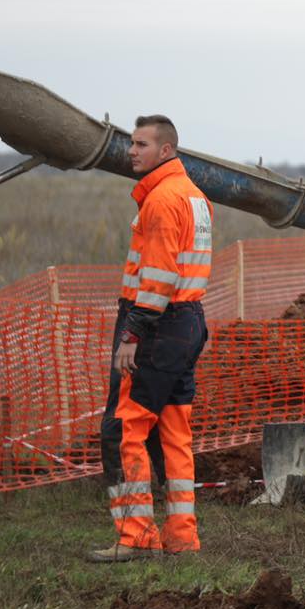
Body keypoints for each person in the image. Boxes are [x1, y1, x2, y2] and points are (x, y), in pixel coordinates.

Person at [91, 115, 214, 562]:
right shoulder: (195, 196)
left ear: (166, 150)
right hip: (189, 322)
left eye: (141, 144)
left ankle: (136, 536)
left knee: (126, 426)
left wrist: (132, 334)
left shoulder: (161, 200)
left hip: (157, 325)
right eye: (132, 143)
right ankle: (182, 537)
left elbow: (159, 278)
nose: (131, 151)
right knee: (176, 432)